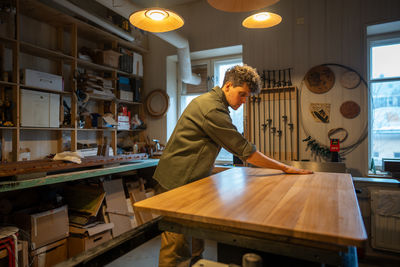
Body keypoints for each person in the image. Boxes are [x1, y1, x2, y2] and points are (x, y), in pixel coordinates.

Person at [153, 65, 312, 267]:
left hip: (191, 180)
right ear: (228, 86)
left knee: (195, 236)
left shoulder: (215, 104)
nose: (244, 101)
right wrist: (285, 168)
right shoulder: (212, 108)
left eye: (247, 97)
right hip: (176, 180)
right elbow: (245, 150)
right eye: (242, 94)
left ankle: (196, 263)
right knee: (177, 243)